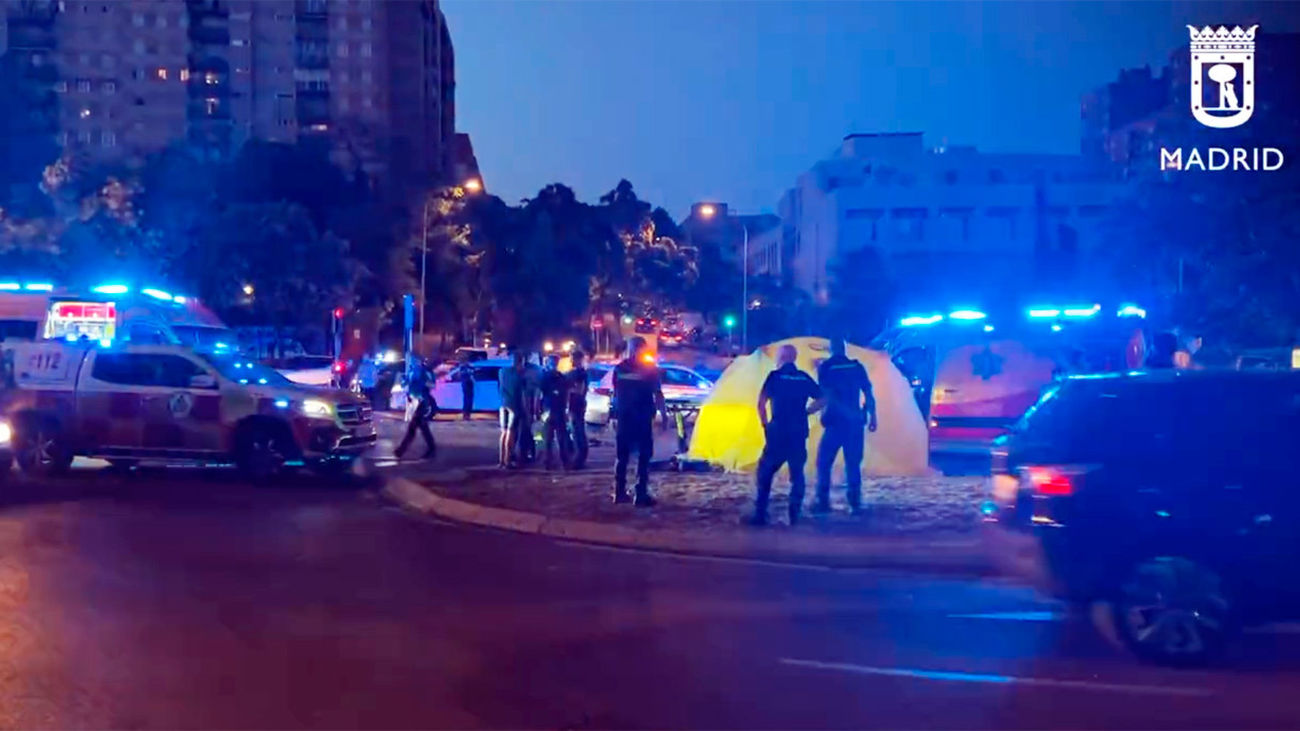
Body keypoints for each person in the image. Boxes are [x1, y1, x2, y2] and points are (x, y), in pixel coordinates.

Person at [752, 344, 825, 526]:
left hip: (777, 431)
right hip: (798, 432)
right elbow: (823, 398)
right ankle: (794, 514)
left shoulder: (774, 377)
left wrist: (765, 425)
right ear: (794, 358)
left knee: (765, 471)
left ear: (781, 358)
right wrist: (807, 412)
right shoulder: (802, 378)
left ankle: (760, 514)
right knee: (797, 474)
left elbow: (760, 403)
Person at [813, 337, 876, 515]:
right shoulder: (856, 366)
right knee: (853, 464)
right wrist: (873, 417)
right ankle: (855, 502)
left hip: (835, 423)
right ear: (845, 349)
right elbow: (868, 392)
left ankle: (823, 501)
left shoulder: (826, 367)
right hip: (855, 424)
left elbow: (827, 396)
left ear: (831, 349)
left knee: (824, 462)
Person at [611, 337, 666, 506]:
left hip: (624, 418)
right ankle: (640, 494)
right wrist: (663, 415)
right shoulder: (650, 370)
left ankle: (619, 492)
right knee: (643, 456)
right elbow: (657, 394)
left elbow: (615, 394)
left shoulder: (619, 369)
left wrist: (613, 415)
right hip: (641, 418)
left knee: (622, 456)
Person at [395, 357, 437, 460]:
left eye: (415, 361)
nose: (414, 363)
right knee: (420, 427)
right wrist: (404, 382)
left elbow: (432, 384)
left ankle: (401, 450)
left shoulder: (425, 372)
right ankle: (431, 449)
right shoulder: (411, 372)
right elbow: (406, 384)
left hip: (422, 401)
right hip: (414, 401)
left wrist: (423, 383)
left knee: (414, 427)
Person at [540, 354, 573, 470]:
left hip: (549, 409)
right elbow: (566, 393)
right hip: (558, 410)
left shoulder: (544, 376)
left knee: (548, 438)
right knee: (560, 437)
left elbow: (540, 393)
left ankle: (548, 462)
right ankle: (564, 462)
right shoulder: (561, 377)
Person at [498, 350, 526, 468]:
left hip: (503, 404)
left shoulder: (502, 372)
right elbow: (522, 394)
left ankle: (501, 460)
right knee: (511, 432)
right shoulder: (519, 375)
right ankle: (508, 460)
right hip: (514, 405)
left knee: (503, 432)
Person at [567, 350, 590, 469]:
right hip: (577, 404)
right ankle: (579, 457)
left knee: (577, 431)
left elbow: (580, 390)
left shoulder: (579, 373)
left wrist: (567, 390)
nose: (570, 360)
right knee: (577, 430)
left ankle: (579, 458)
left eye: (571, 358)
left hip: (576, 404)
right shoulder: (580, 372)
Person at [517, 351, 542, 464]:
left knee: (526, 432)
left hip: (526, 407)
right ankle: (531, 454)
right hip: (528, 407)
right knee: (530, 432)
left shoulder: (523, 371)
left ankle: (526, 454)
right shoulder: (535, 370)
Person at [450, 353, 475, 420]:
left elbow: (457, 375)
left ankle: (466, 414)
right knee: (468, 400)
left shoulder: (463, 367)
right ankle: (467, 414)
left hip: (467, 384)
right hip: (468, 384)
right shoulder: (468, 367)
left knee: (467, 399)